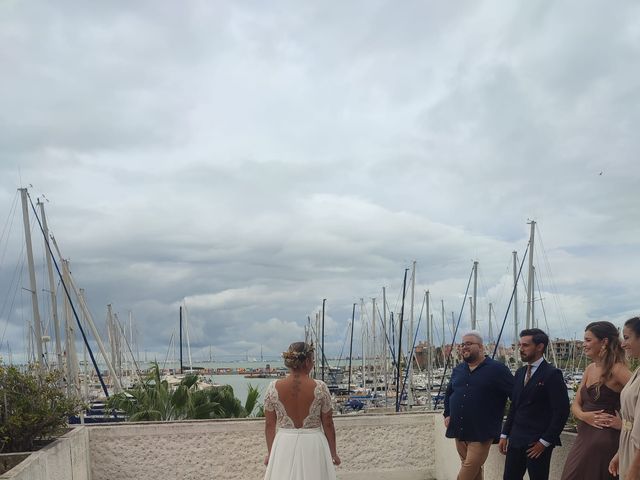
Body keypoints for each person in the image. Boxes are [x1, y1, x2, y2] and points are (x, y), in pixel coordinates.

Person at [561, 321, 631, 479]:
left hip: (604, 439)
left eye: (588, 340)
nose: (584, 344)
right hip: (584, 435)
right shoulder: (589, 368)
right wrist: (585, 416)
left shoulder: (618, 369)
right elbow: (575, 405)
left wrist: (624, 425)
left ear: (604, 342)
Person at [499, 328, 570, 480]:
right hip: (516, 439)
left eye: (525, 345)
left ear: (540, 347)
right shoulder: (520, 372)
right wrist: (504, 434)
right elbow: (514, 406)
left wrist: (544, 442)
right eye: (520, 345)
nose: (521, 349)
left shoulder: (552, 374)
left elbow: (562, 411)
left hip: (537, 443)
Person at [263, 341, 340, 480]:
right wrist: (333, 453)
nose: (313, 363)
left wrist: (271, 453)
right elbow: (328, 423)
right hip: (314, 444)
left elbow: (269, 425)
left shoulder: (273, 387)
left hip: (284, 444)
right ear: (306, 362)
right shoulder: (320, 387)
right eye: (313, 360)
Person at [444, 330, 514, 480]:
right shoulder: (458, 370)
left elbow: (515, 396)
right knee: (472, 470)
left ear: (481, 347)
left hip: (482, 432)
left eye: (469, 343)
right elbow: (449, 394)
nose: (464, 347)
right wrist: (447, 413)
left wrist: (510, 427)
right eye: (462, 344)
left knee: (468, 469)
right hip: (460, 428)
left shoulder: (498, 369)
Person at [609, 316, 640, 480]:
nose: (623, 344)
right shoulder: (637, 372)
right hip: (629, 448)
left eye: (627, 338)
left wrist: (634, 471)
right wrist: (620, 453)